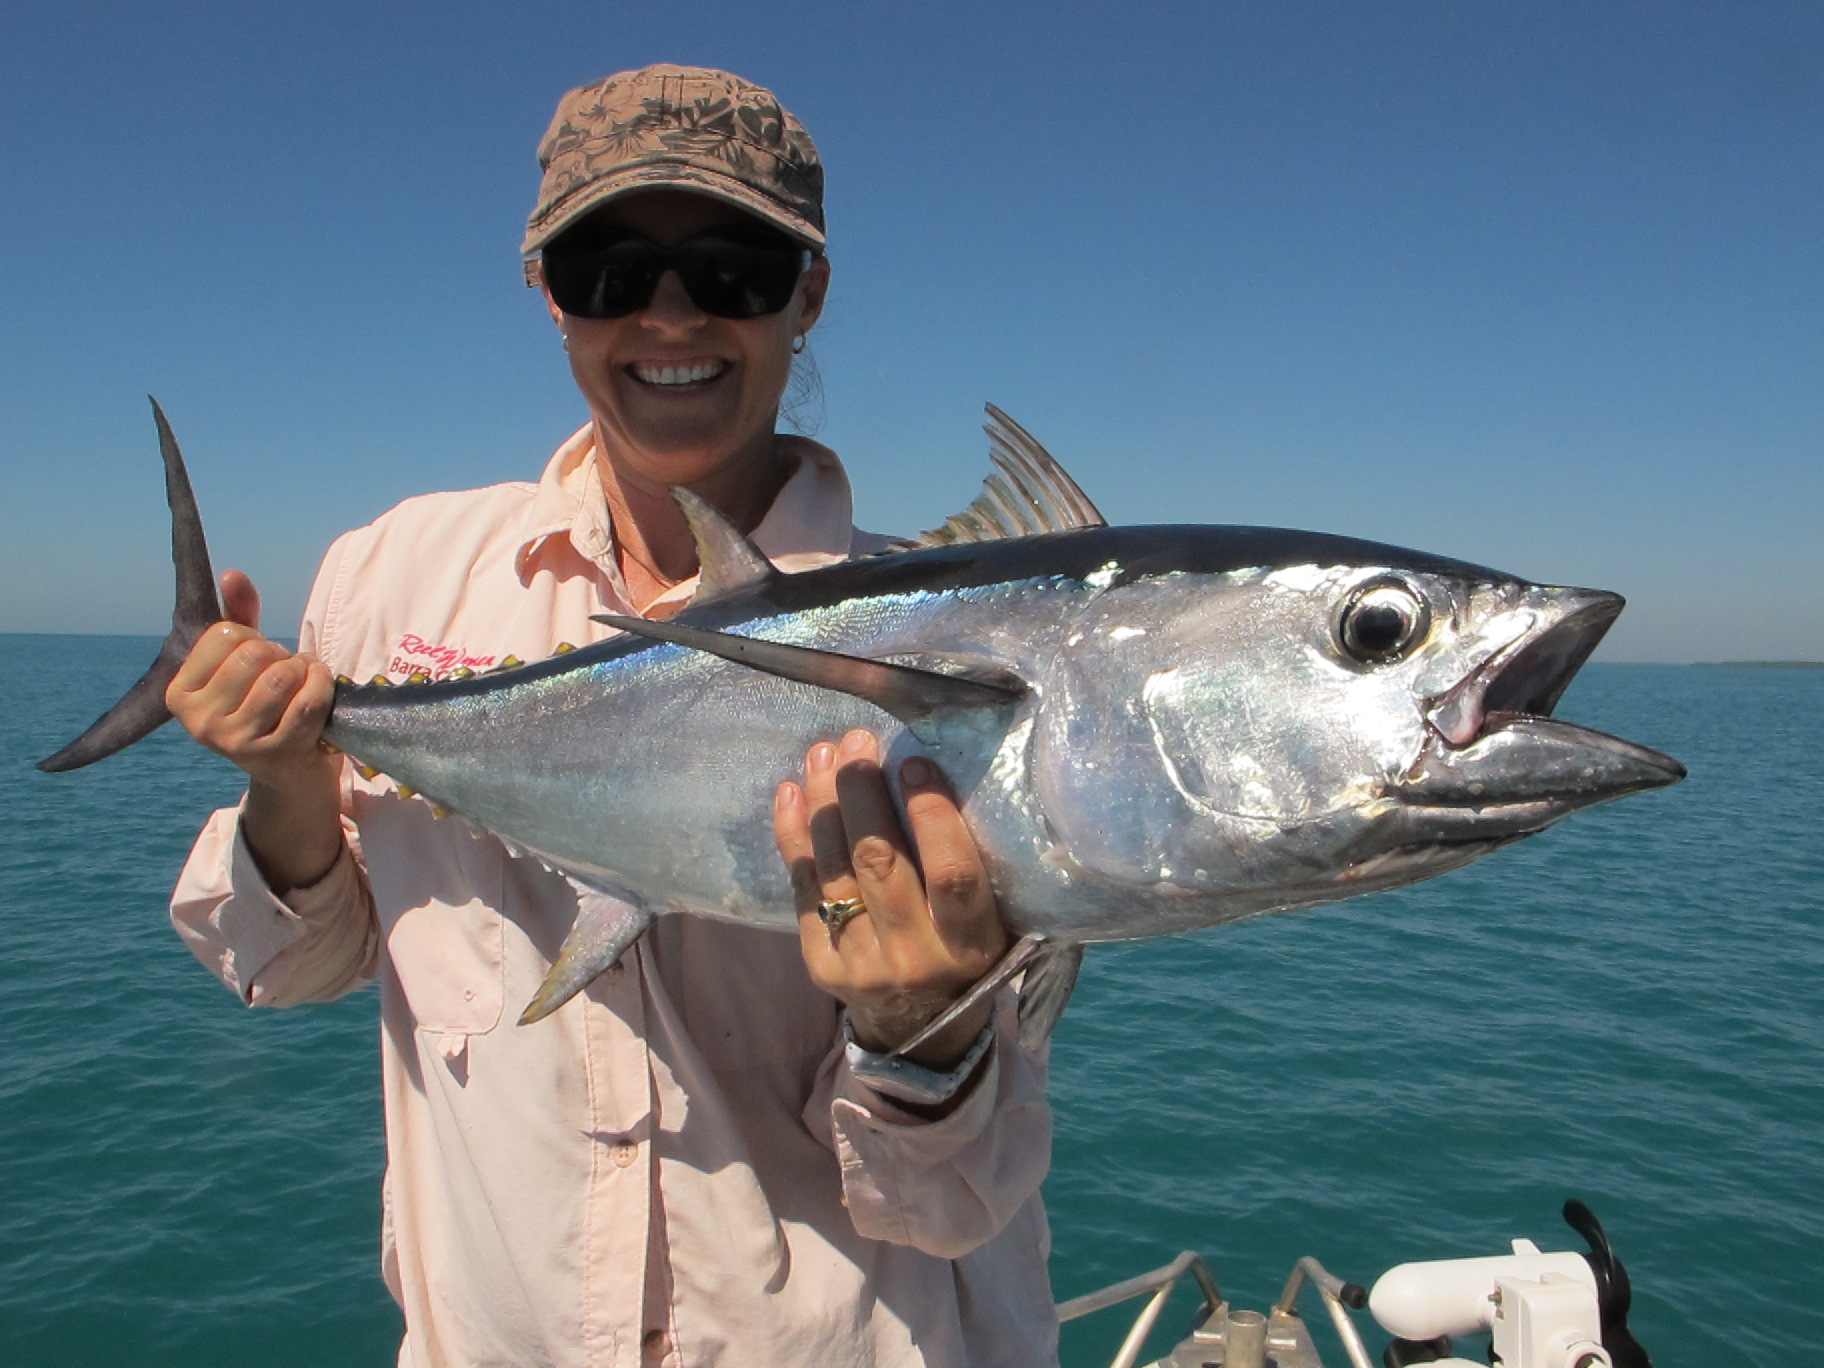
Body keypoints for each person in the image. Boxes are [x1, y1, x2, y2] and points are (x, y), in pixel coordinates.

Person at [164, 65, 1057, 1368]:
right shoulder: (394, 575)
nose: (670, 313)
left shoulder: (953, 652)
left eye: (734, 266)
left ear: (807, 294)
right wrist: (288, 788)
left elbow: (952, 1202)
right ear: (545, 292)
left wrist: (924, 1031)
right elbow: (293, 962)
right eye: (606, 269)